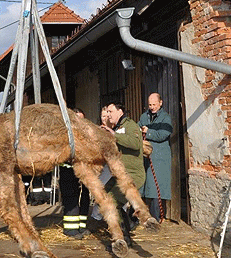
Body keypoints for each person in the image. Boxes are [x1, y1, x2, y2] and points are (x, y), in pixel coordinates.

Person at [100, 102, 145, 246]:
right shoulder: (117, 127)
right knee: (106, 197)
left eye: (111, 111)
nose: (108, 115)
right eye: (107, 112)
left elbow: (136, 144)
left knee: (114, 202)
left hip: (132, 175)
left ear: (120, 111)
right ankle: (123, 235)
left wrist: (114, 135)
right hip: (120, 174)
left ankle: (123, 238)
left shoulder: (130, 125)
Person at [138, 93, 173, 222]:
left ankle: (156, 217)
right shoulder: (144, 116)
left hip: (159, 157)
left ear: (160, 103)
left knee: (156, 187)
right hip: (146, 156)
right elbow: (137, 128)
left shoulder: (165, 118)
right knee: (143, 185)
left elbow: (163, 134)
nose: (152, 107)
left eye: (154, 104)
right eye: (150, 104)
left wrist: (148, 132)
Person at [59, 108, 91, 239]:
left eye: (81, 119)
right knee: (71, 199)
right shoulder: (65, 134)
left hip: (83, 170)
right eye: (77, 119)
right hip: (68, 171)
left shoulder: (86, 134)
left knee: (84, 198)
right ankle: (70, 229)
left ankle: (81, 226)